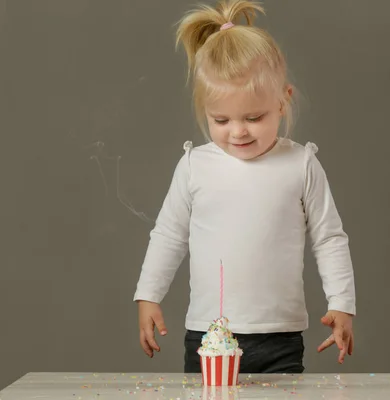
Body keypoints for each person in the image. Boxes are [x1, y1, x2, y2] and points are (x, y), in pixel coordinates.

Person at [134, 0, 356, 374]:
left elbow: (329, 238)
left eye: (254, 117)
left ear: (283, 101)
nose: (238, 131)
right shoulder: (194, 166)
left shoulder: (301, 164)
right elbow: (169, 233)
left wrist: (342, 302)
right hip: (207, 334)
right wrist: (148, 295)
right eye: (220, 119)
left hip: (279, 338)